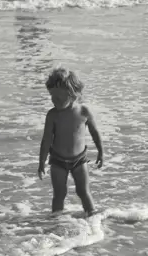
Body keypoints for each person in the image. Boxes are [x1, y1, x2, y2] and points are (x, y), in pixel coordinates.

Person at [38, 68, 103, 217]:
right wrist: (42, 161)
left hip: (79, 160)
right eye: (52, 97)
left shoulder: (83, 111)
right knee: (59, 194)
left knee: (83, 192)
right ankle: (56, 222)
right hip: (58, 161)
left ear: (72, 95)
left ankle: (93, 219)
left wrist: (101, 152)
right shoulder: (52, 115)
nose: (54, 101)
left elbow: (94, 132)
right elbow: (46, 139)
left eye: (59, 98)